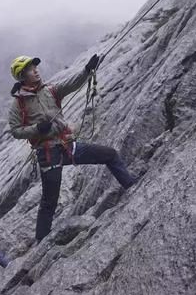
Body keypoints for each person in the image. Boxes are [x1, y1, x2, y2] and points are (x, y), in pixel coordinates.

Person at [8, 55, 137, 242]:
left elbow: (72, 84)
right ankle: (41, 242)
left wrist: (87, 70)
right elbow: (16, 131)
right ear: (22, 76)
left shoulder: (50, 90)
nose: (36, 70)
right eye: (30, 69)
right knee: (49, 202)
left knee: (110, 154)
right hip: (48, 153)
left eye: (35, 67)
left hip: (66, 145)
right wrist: (36, 129)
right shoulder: (18, 104)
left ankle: (132, 188)